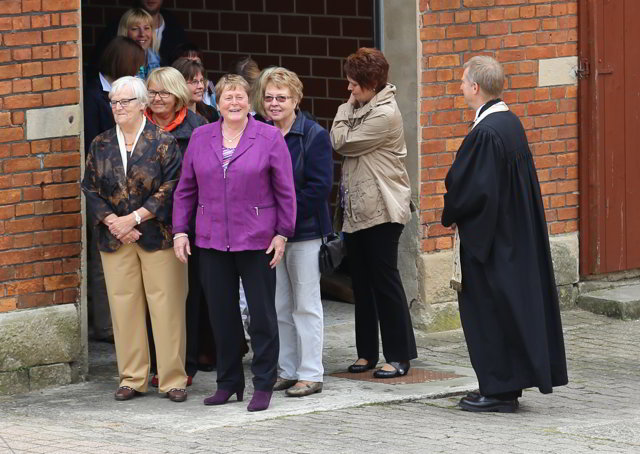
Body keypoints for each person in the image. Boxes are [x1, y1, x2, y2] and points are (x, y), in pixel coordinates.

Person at [441, 56, 568, 413]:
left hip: (492, 243)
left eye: (463, 81)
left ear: (476, 87)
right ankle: (506, 386)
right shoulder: (510, 124)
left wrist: (451, 208)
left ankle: (497, 390)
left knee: (489, 313)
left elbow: (473, 190)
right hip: (512, 237)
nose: (460, 87)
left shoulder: (486, 132)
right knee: (509, 310)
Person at [172, 74, 296, 412]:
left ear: (249, 100)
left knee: (262, 316)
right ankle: (228, 383)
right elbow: (185, 190)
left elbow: (285, 189)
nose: (234, 103)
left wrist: (283, 232)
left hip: (257, 239)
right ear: (219, 102)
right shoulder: (201, 136)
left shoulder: (268, 137)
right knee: (221, 316)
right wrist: (180, 231)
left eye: (240, 96)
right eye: (228, 97)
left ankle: (263, 384)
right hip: (211, 240)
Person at [81, 76, 188, 403]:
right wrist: (115, 221)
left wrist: (136, 217)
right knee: (123, 307)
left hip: (156, 235)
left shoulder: (163, 142)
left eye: (125, 101)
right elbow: (90, 187)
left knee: (166, 306)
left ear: (142, 104)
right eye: (113, 101)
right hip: (115, 238)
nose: (118, 107)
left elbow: (172, 186)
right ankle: (132, 377)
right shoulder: (100, 143)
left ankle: (172, 379)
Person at [330, 48, 417, 379]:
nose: (349, 90)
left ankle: (399, 356)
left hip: (383, 209)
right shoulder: (359, 105)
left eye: (354, 84)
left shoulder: (385, 115)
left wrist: (345, 113)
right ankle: (366, 353)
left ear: (370, 83)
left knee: (385, 282)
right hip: (356, 210)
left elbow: (342, 140)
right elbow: (343, 131)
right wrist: (349, 109)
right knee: (361, 284)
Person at [255, 68, 333, 397]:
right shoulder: (256, 133)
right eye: (269, 97)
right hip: (267, 233)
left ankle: (311, 373)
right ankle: (286, 370)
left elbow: (318, 188)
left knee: (306, 304)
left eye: (281, 98)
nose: (274, 104)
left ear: (296, 100)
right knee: (279, 305)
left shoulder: (313, 135)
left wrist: (283, 222)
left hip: (304, 233)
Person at [144, 67, 209, 386]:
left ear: (178, 96)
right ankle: (157, 364)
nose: (156, 99)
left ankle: (186, 363)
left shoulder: (198, 128)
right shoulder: (136, 124)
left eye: (163, 93)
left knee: (186, 296)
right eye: (152, 92)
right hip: (144, 223)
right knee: (152, 297)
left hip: (187, 223)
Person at [83, 37, 146, 344]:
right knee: (101, 258)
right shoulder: (94, 95)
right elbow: (94, 143)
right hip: (104, 188)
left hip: (132, 197)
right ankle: (105, 325)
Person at [92, 0, 187, 71]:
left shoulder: (175, 27)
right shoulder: (114, 30)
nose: (142, 34)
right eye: (134, 28)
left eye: (147, 28)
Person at [172, 57, 219, 123]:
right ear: (179, 84)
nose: (201, 86)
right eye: (194, 82)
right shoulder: (169, 117)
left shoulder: (211, 113)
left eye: (202, 81)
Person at [117, 8, 161, 77]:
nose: (142, 34)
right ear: (125, 32)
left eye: (146, 28)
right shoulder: (117, 62)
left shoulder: (159, 59)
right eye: (135, 29)